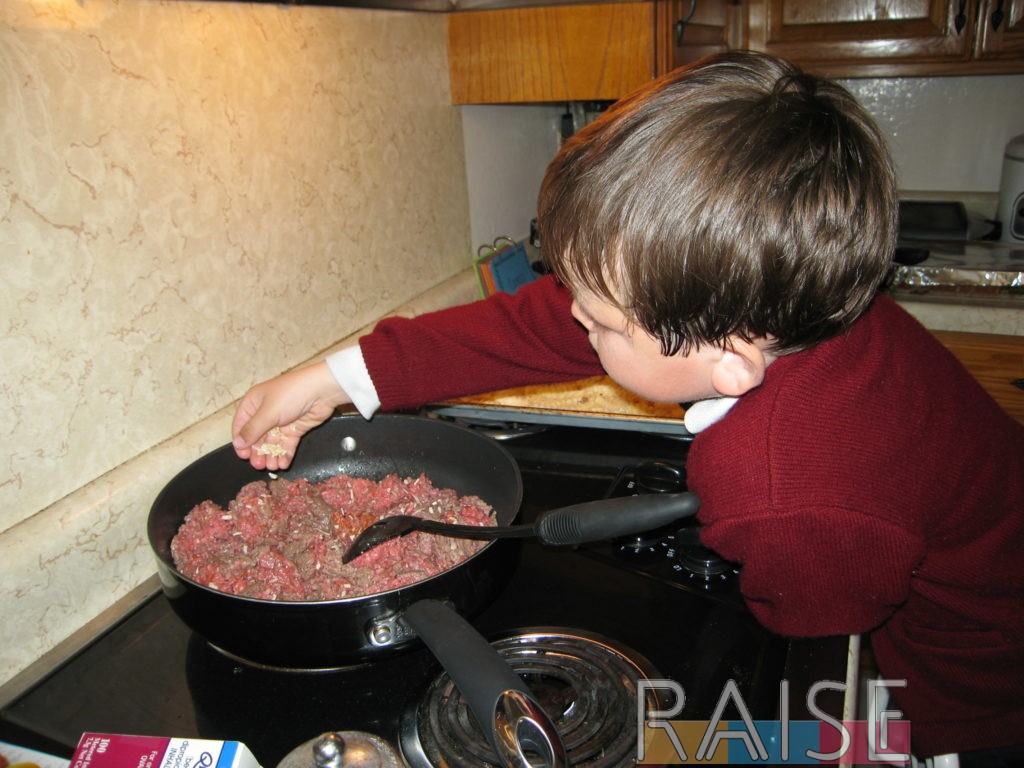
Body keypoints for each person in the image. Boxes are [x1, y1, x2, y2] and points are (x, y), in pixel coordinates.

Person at [231, 51, 1024, 762]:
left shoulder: (781, 487)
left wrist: (745, 541)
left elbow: (815, 619)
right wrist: (333, 377)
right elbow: (539, 322)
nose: (574, 319)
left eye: (602, 320)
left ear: (729, 361)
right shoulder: (796, 298)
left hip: (978, 686)